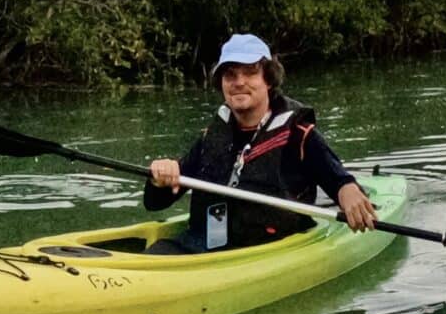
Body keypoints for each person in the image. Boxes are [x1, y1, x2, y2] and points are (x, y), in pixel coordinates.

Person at [145, 33, 376, 252]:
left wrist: (348, 191)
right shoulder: (212, 137)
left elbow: (338, 180)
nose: (239, 82)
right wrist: (160, 178)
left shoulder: (299, 135)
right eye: (230, 75)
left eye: (250, 73)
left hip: (268, 248)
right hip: (202, 245)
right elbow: (155, 203)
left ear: (268, 79)